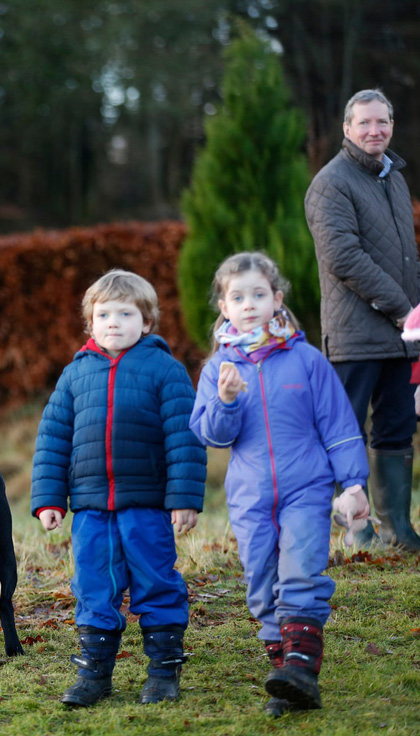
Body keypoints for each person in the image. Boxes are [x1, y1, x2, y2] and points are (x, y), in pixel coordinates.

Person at [190, 252, 370, 715]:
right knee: (260, 581)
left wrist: (352, 482)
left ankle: (301, 669)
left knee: (300, 572)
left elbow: (339, 424)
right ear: (223, 307)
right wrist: (227, 400)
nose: (248, 304)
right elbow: (210, 434)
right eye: (237, 296)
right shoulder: (218, 371)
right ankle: (286, 678)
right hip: (250, 496)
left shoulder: (307, 361)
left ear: (277, 299)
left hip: (306, 488)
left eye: (258, 294)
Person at [31, 270, 206, 707]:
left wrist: (183, 499)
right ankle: (94, 675)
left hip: (146, 506)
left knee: (156, 582)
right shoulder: (75, 375)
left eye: (125, 313)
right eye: (103, 314)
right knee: (93, 586)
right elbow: (53, 439)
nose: (113, 322)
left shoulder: (165, 370)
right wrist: (49, 499)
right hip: (91, 509)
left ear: (146, 322)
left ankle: (163, 671)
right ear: (90, 323)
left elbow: (184, 438)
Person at [305, 88, 420, 552]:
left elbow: (404, 256)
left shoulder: (393, 177)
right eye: (365, 123)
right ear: (348, 129)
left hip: (401, 336)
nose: (375, 130)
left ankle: (397, 530)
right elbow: (344, 258)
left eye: (383, 122)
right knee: (344, 431)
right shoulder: (330, 183)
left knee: (396, 428)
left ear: (391, 125)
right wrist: (404, 308)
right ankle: (356, 531)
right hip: (355, 335)